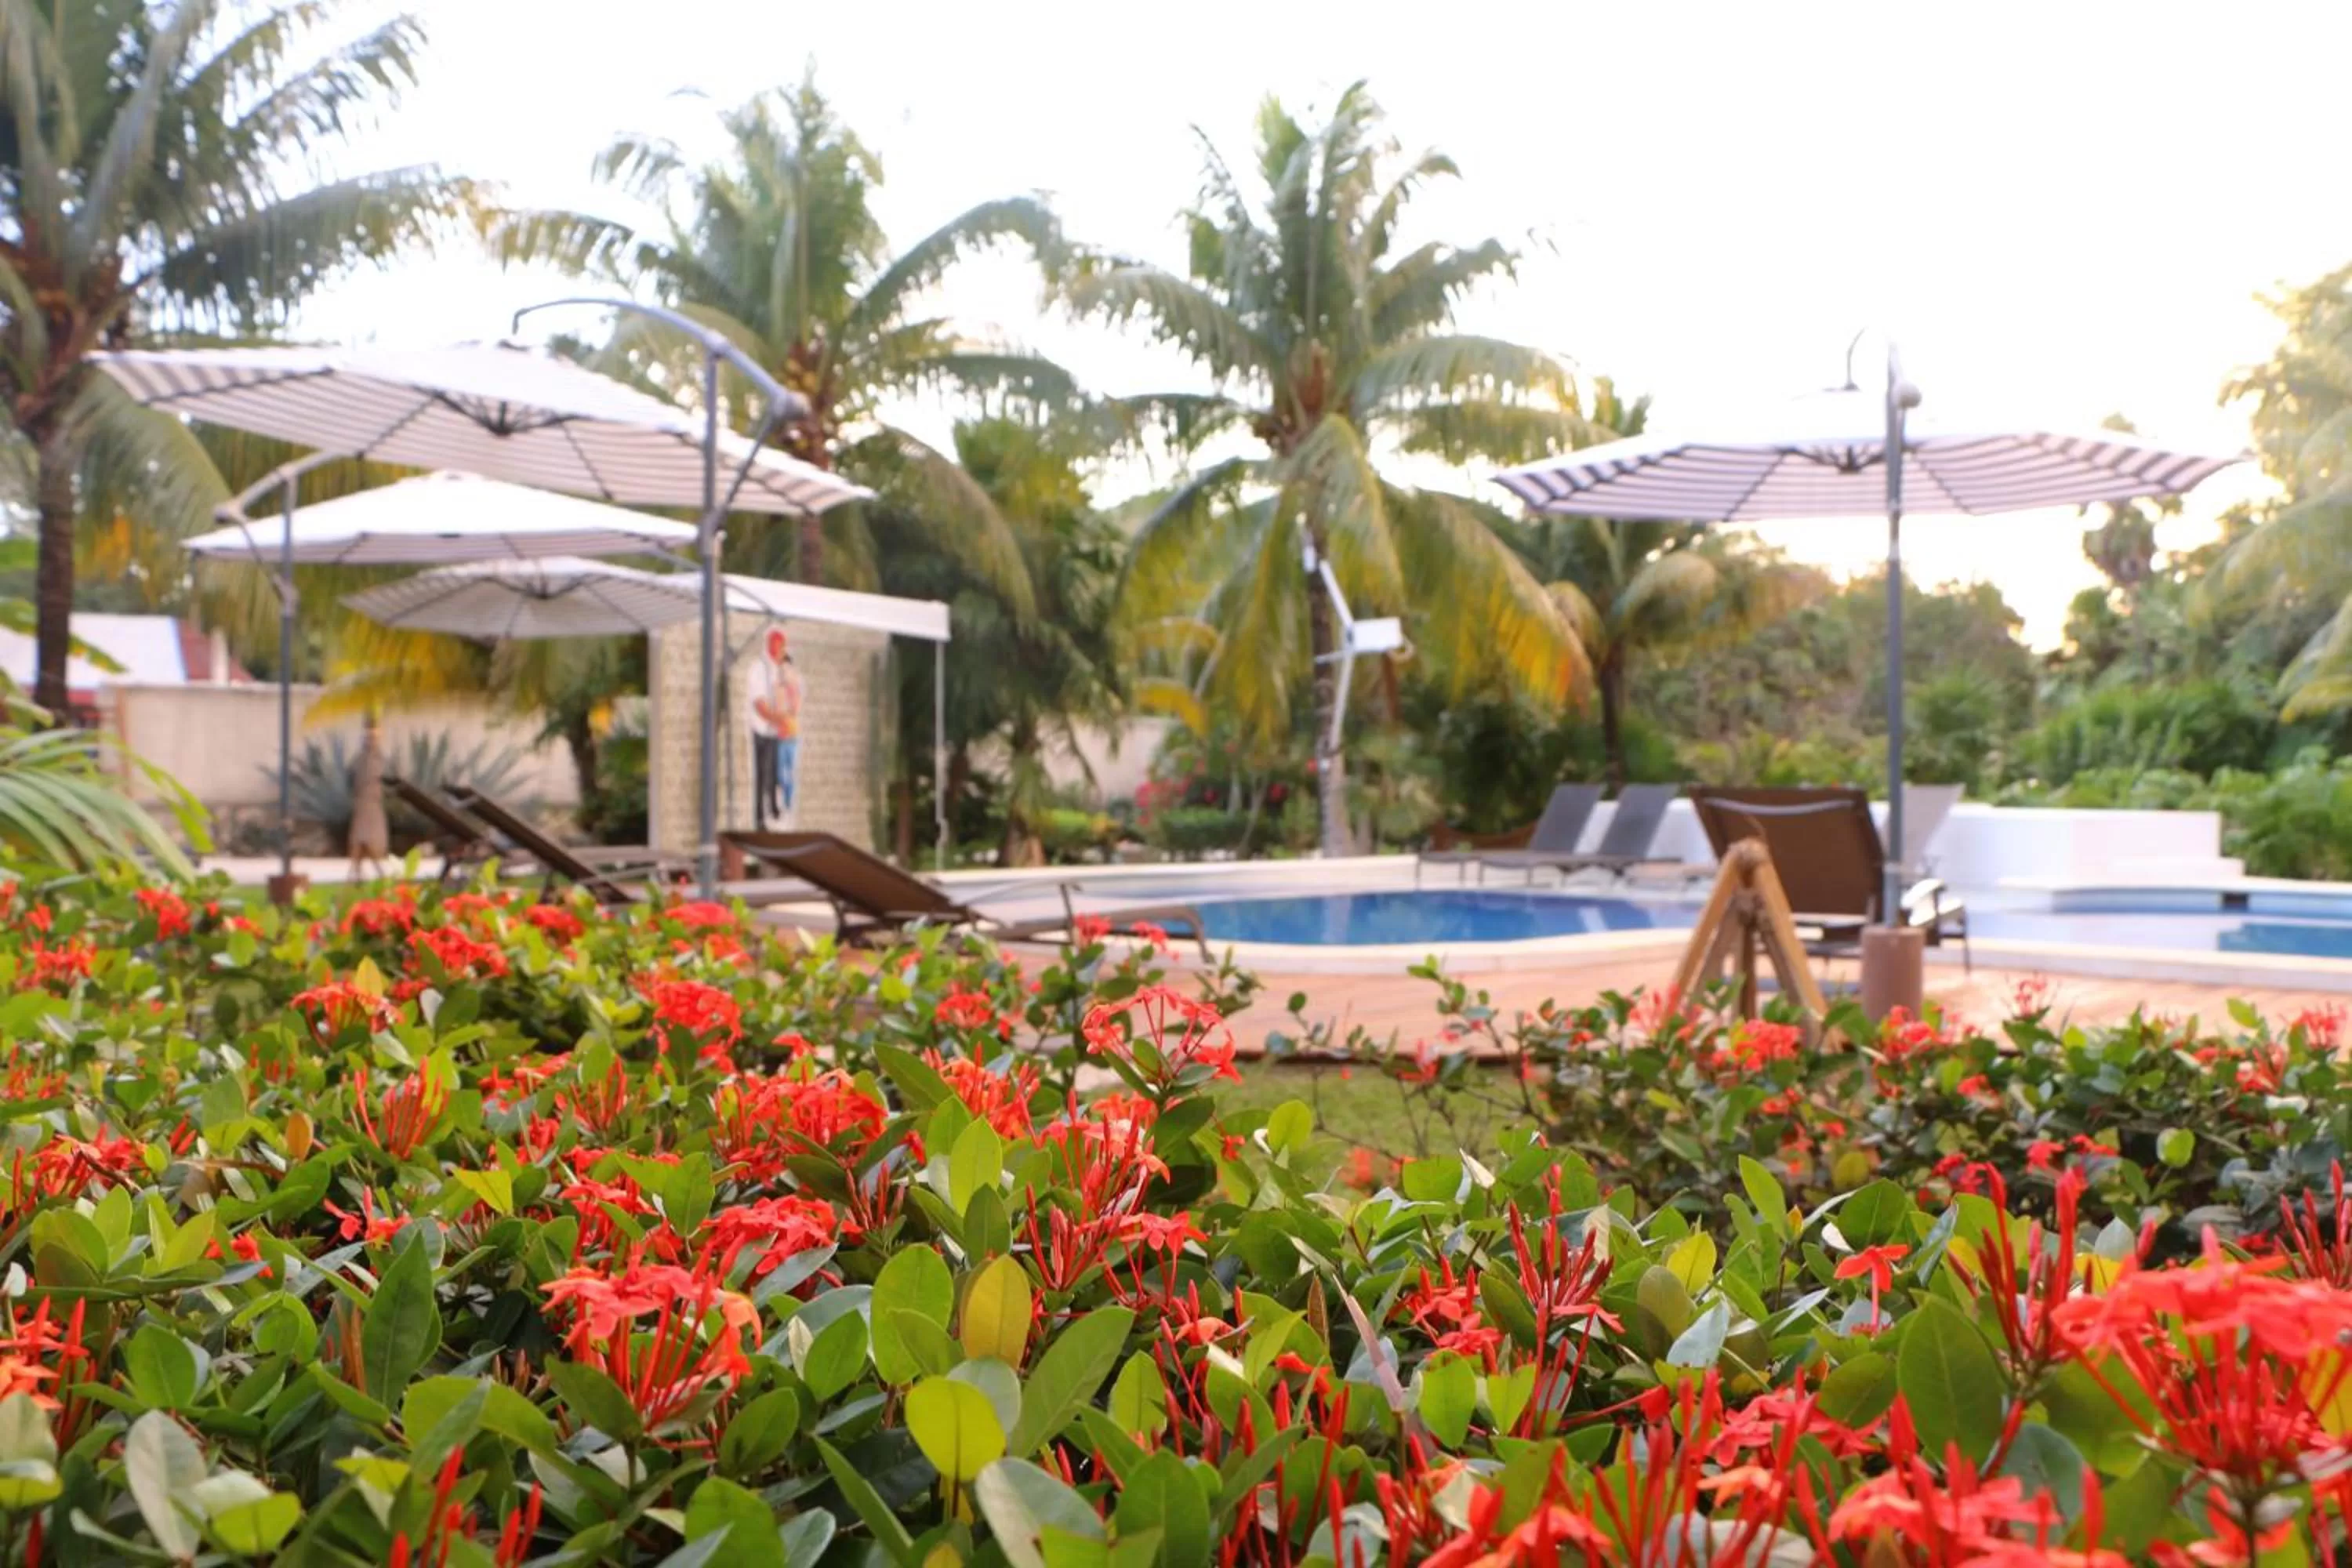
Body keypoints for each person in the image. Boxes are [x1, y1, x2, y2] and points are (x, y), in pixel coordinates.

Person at [748, 626, 804, 826]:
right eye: (778, 647)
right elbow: (760, 704)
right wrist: (779, 718)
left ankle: (773, 807)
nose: (780, 651)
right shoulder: (759, 668)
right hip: (762, 728)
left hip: (776, 731)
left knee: (774, 774)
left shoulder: (778, 669)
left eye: (782, 647)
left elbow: (791, 700)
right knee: (762, 774)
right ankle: (759, 816)